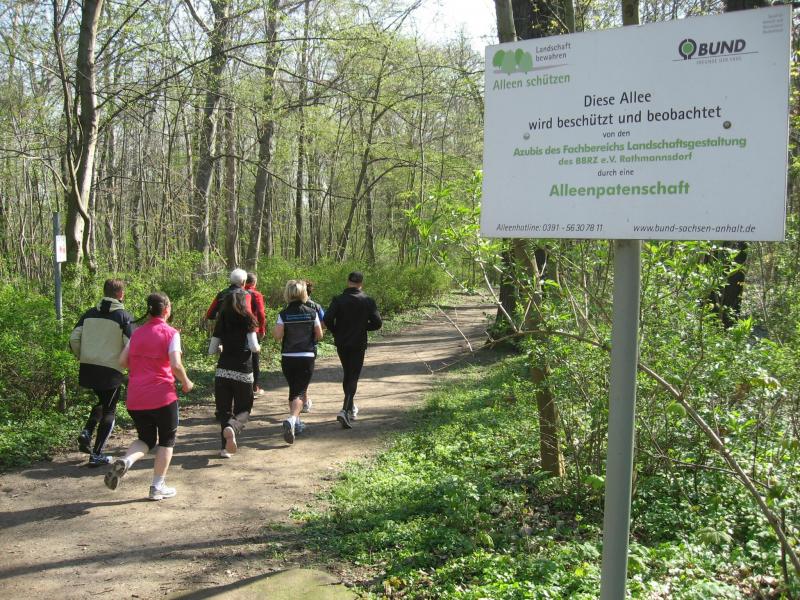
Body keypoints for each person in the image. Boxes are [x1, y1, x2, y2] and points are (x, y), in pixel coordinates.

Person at [104, 293, 193, 500]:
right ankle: (157, 487)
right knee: (167, 440)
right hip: (162, 396)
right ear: (167, 310)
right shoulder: (171, 333)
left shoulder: (137, 333)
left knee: (146, 439)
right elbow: (175, 364)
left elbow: (122, 361)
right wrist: (186, 382)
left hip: (136, 397)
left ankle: (126, 461)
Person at [70, 278, 133, 467]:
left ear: (104, 292)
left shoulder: (89, 314)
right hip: (111, 370)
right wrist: (128, 366)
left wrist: (82, 355)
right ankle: (96, 454)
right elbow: (131, 344)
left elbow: (74, 338)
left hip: (88, 366)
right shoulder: (123, 317)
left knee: (102, 401)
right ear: (120, 294)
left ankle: (87, 431)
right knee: (110, 409)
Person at [324, 271, 382, 429]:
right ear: (361, 283)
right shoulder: (367, 300)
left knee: (348, 374)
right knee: (353, 376)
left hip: (342, 342)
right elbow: (377, 323)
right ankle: (344, 410)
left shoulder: (338, 299)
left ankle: (349, 408)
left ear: (348, 281)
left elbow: (327, 319)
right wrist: (363, 327)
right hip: (358, 342)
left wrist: (336, 331)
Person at [208, 290, 260, 458]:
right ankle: (234, 426)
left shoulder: (222, 321)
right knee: (244, 408)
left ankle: (225, 449)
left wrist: (222, 347)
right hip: (243, 370)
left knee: (224, 410)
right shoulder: (249, 320)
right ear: (244, 303)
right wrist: (258, 348)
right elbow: (254, 347)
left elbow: (211, 350)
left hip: (223, 370)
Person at [272, 280, 322, 444]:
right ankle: (292, 419)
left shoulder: (283, 314)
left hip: (288, 356)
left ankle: (297, 423)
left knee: (294, 389)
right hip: (306, 356)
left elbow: (277, 336)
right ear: (303, 293)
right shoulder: (312, 312)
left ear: (288, 293)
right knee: (300, 391)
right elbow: (319, 335)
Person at [300, 280, 325, 413]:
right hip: (310, 345)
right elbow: (324, 323)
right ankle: (304, 401)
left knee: (298, 375)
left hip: (291, 347)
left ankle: (300, 400)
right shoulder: (316, 306)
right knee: (305, 374)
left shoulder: (290, 306)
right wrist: (316, 333)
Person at [244, 272, 267, 397]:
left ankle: (242, 387)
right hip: (254, 331)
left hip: (237, 331)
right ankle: (254, 388)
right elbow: (261, 314)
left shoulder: (236, 293)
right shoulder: (256, 294)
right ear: (254, 282)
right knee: (254, 358)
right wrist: (262, 329)